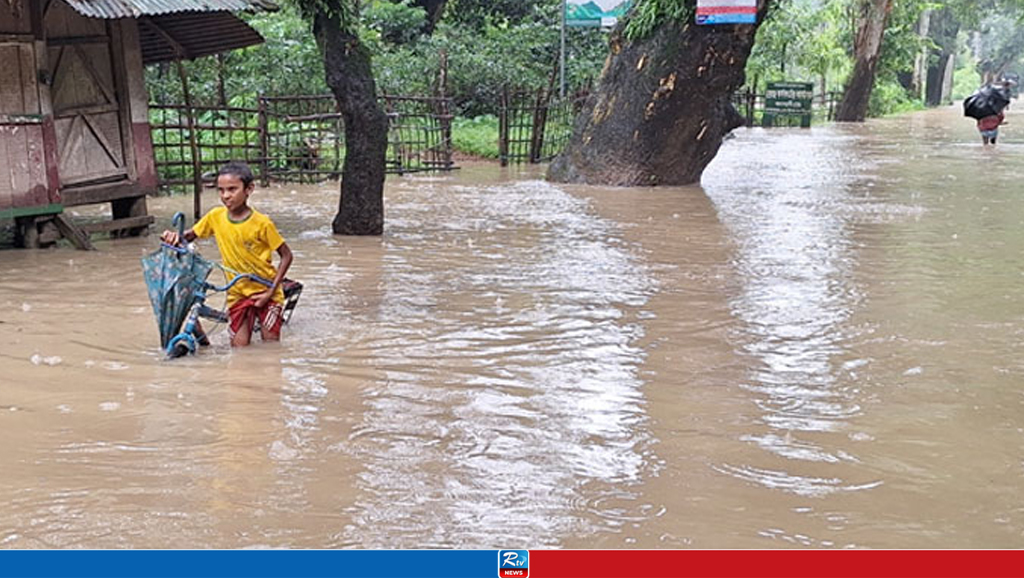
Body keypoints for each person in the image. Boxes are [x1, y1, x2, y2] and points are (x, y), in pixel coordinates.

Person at [161, 161, 294, 347]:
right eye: (221, 190)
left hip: (266, 292)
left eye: (232, 189)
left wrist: (271, 290)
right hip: (237, 294)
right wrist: (173, 237)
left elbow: (286, 256)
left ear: (249, 189)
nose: (226, 196)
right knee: (239, 349)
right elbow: (189, 236)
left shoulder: (262, 224)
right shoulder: (215, 217)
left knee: (271, 347)